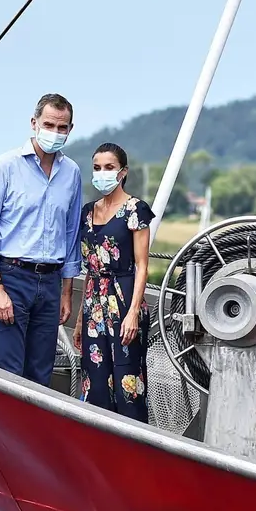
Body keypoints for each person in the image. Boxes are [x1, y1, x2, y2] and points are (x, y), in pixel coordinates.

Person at [0, 93, 83, 386]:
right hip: (11, 277)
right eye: (49, 124)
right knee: (6, 373)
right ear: (34, 123)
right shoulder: (5, 166)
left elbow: (70, 233)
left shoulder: (71, 173)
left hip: (50, 283)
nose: (55, 132)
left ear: (70, 129)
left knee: (40, 374)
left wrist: (66, 292)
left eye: (62, 127)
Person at [73, 142, 154, 421]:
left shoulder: (136, 209)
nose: (102, 173)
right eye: (97, 168)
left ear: (123, 172)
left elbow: (143, 265)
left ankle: (136, 445)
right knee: (94, 380)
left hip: (124, 298)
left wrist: (133, 313)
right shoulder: (86, 212)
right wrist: (81, 320)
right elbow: (89, 268)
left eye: (109, 168)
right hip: (94, 302)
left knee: (127, 380)